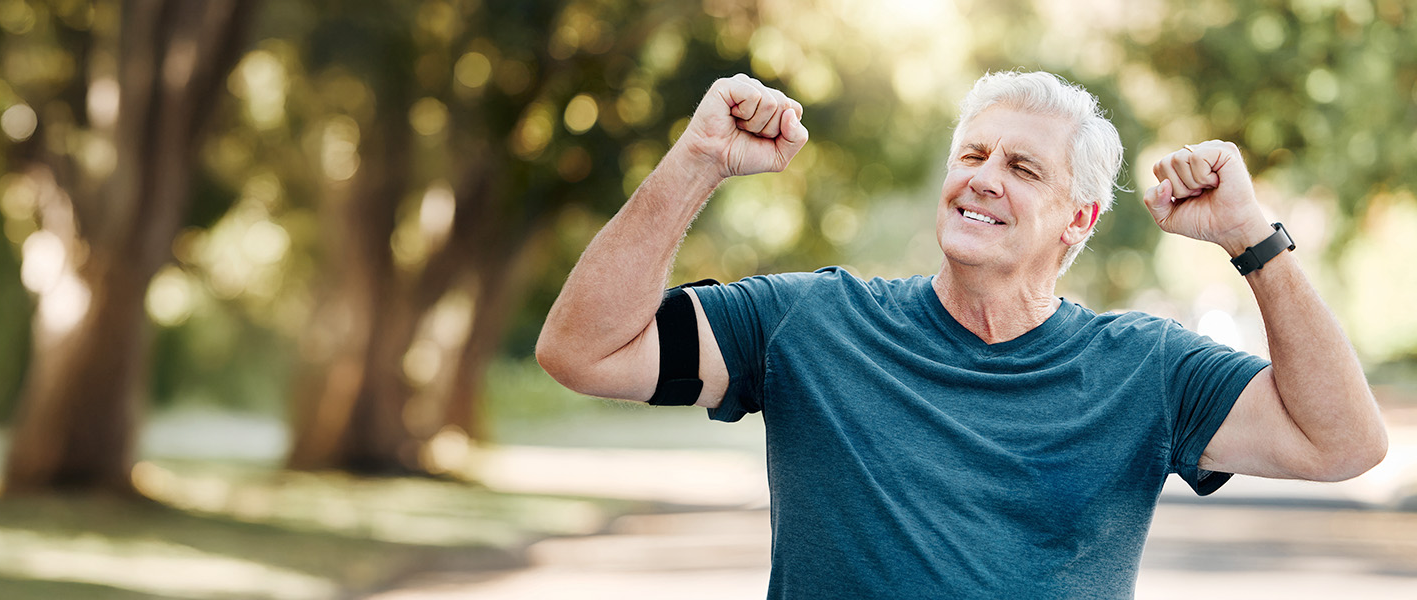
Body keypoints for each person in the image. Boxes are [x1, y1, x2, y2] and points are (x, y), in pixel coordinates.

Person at [535, 71, 1388, 598]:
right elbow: (584, 350)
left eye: (1021, 168)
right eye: (972, 155)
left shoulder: (1148, 372)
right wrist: (699, 159)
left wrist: (1252, 239)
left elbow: (1343, 442)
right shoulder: (808, 323)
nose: (982, 180)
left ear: (1079, 220)